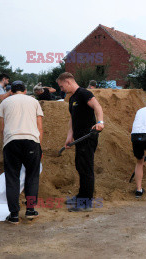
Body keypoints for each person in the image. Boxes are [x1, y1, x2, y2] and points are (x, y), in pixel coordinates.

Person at [0, 81, 43, 224]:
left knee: (12, 178)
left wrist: (5, 144)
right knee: (32, 176)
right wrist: (39, 146)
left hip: (11, 142)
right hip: (31, 141)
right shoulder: (34, 101)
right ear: (25, 90)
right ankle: (30, 210)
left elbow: (2, 128)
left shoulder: (4, 103)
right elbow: (39, 126)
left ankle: (14, 215)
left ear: (11, 91)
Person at [57, 72, 105, 212]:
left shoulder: (84, 93)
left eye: (61, 86)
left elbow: (98, 107)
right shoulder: (72, 99)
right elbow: (73, 119)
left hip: (88, 136)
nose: (61, 89)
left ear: (68, 82)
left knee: (86, 168)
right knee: (80, 166)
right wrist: (69, 137)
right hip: (78, 138)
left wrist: (100, 122)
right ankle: (81, 197)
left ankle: (86, 203)